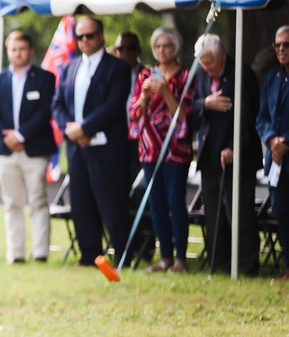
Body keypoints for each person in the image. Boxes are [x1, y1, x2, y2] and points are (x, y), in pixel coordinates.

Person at [51, 16, 132, 267]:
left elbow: (113, 105)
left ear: (101, 36)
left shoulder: (117, 68)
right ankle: (89, 255)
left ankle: (121, 255)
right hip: (77, 148)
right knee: (82, 204)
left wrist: (85, 128)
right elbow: (57, 103)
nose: (85, 41)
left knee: (112, 204)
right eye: (80, 37)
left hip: (106, 147)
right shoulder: (69, 67)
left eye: (90, 36)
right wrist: (71, 130)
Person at [191, 34, 261, 275]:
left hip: (237, 154)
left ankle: (246, 266)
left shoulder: (242, 73)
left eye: (210, 62)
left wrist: (234, 146)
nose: (206, 67)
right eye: (202, 62)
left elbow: (249, 115)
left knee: (239, 212)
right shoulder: (200, 74)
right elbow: (188, 107)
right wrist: (205, 104)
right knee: (214, 212)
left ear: (222, 56)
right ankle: (219, 263)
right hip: (209, 154)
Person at [0, 29, 56, 263]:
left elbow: (45, 111)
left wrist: (21, 134)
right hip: (6, 152)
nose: (18, 53)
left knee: (38, 201)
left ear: (30, 51)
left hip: (34, 150)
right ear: (8, 52)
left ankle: (40, 252)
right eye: (13, 49)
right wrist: (7, 137)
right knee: (12, 203)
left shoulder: (45, 78)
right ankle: (15, 253)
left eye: (22, 49)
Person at [129, 27, 193, 273]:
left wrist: (165, 91)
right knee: (155, 203)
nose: (161, 50)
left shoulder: (185, 76)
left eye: (166, 45)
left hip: (174, 150)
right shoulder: (145, 74)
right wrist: (144, 96)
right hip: (149, 148)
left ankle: (180, 259)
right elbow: (134, 113)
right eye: (157, 46)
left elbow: (183, 117)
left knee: (175, 201)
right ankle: (164, 255)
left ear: (175, 48)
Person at [112, 30, 156, 262]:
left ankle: (146, 248)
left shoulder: (147, 74)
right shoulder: (112, 73)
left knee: (142, 194)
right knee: (120, 196)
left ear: (138, 50)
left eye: (130, 48)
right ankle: (125, 246)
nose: (125, 53)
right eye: (120, 49)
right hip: (119, 142)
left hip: (143, 142)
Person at [256, 25, 289, 281]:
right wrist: (270, 139)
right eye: (277, 45)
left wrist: (284, 141)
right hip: (276, 159)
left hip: (285, 150)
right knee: (281, 212)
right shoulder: (272, 77)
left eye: (286, 45)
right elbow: (262, 117)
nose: (281, 50)